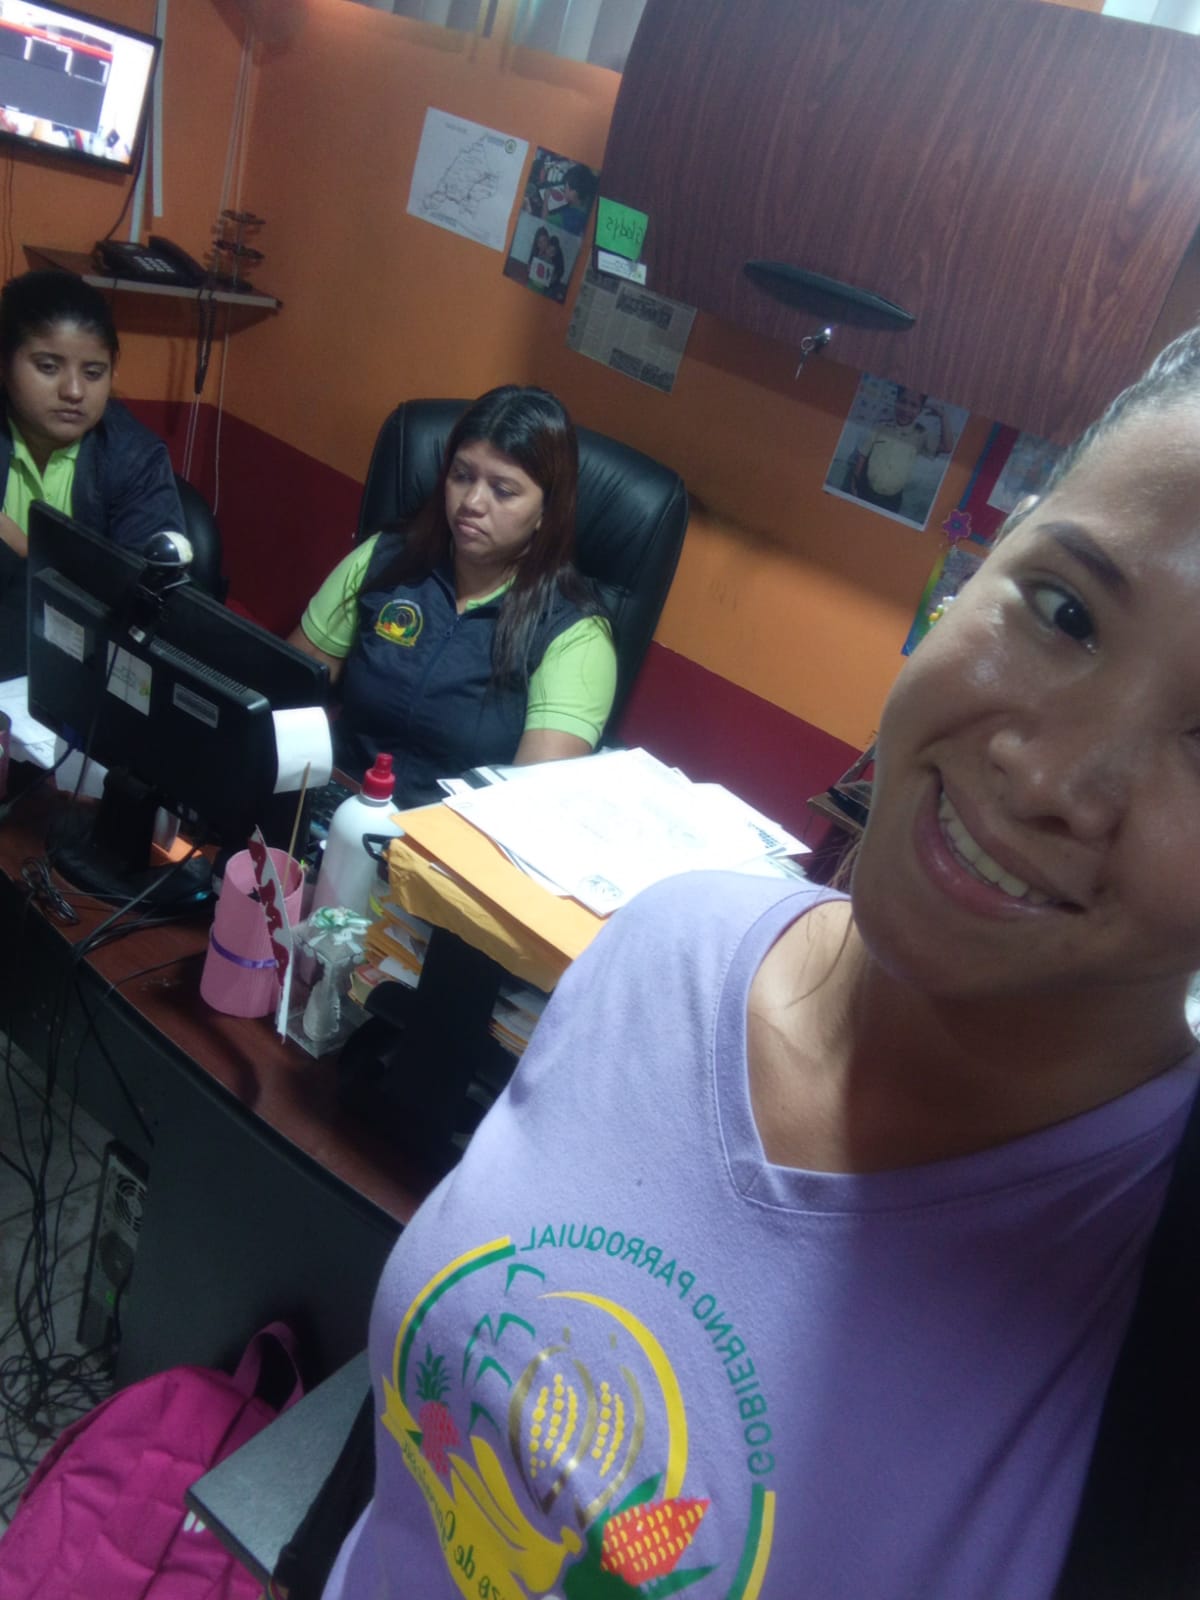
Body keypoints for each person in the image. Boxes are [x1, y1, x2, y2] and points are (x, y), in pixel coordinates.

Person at [315, 328, 1200, 1600]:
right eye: (1064, 611)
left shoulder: (1152, 1320)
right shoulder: (664, 943)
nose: (1049, 775)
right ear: (979, 568)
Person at [290, 385, 615, 803]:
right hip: (333, 806)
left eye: (503, 490)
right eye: (461, 476)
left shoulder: (574, 634)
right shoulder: (385, 560)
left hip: (445, 838)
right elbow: (287, 690)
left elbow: (527, 808)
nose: (472, 502)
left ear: (546, 512)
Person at [0, 268, 185, 678]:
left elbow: (145, 603)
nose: (74, 391)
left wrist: (21, 546)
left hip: (82, 668)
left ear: (114, 370)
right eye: (48, 367)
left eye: (93, 372)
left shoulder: (134, 458)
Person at [848, 382, 953, 513]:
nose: (906, 409)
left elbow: (947, 447)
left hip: (892, 500)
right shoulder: (880, 427)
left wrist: (943, 415)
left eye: (913, 405)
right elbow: (862, 456)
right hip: (865, 490)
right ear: (896, 402)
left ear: (920, 410)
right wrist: (854, 485)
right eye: (903, 402)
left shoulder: (922, 435)